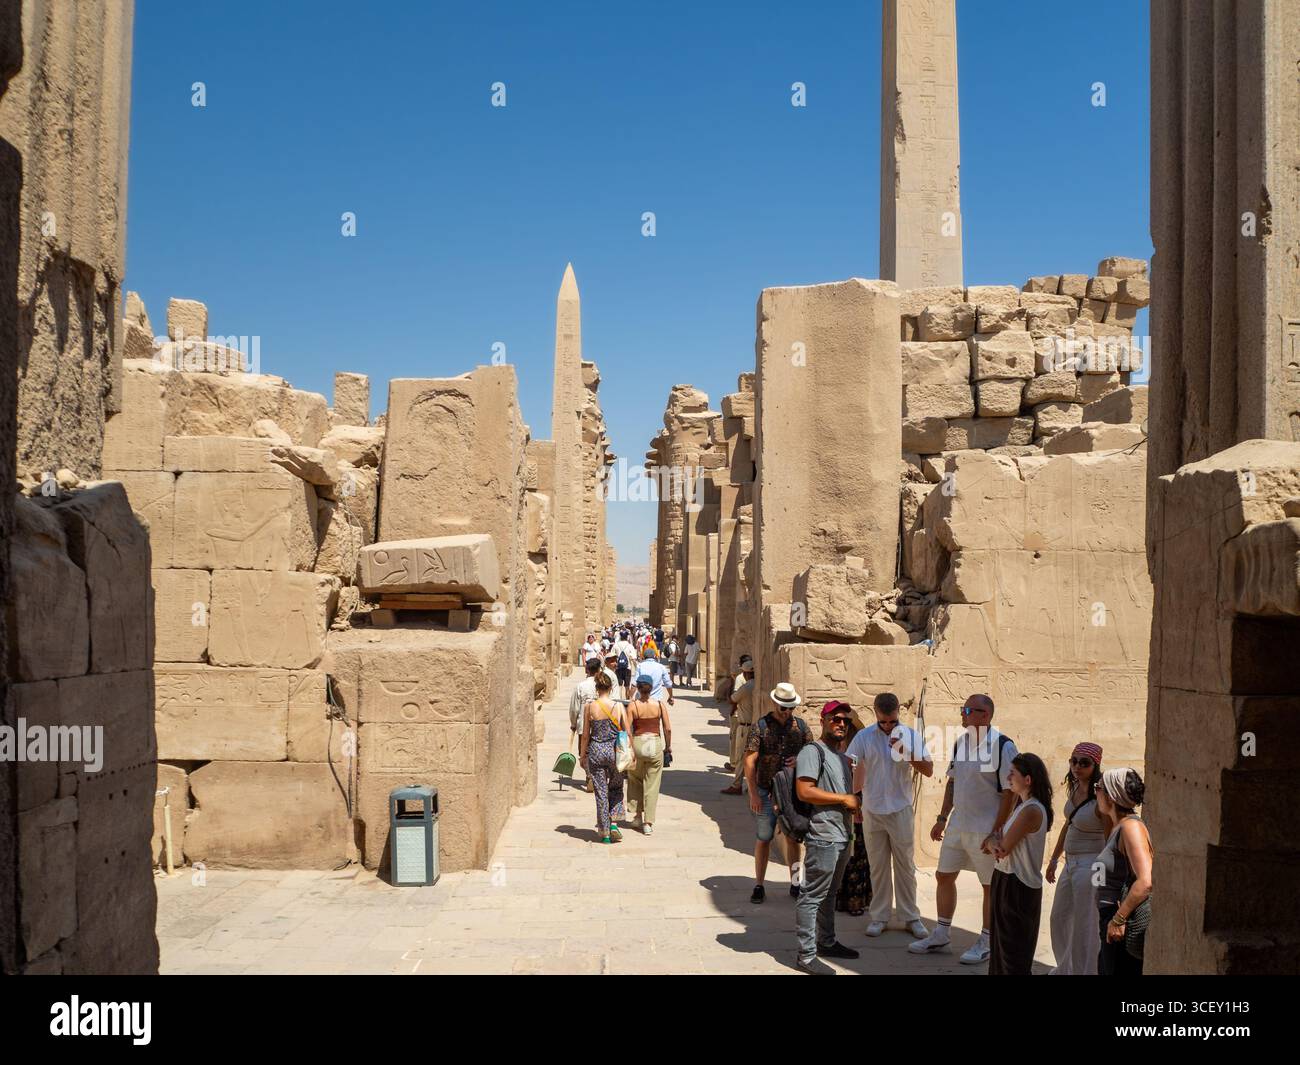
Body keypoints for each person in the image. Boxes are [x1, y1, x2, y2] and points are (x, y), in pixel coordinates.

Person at [909, 693, 1019, 964]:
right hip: (958, 825)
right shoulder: (961, 744)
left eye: (968, 709)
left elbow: (1010, 792)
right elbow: (952, 782)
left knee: (988, 886)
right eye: (963, 708)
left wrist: (997, 830)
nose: (963, 713)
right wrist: (942, 817)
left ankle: (986, 939)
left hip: (986, 828)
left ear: (986, 715)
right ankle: (942, 932)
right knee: (943, 875)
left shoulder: (1003, 746)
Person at [847, 692, 932, 939]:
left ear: (898, 714)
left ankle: (911, 917)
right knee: (878, 865)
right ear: (875, 714)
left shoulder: (911, 736)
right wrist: (855, 802)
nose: (887, 727)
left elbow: (928, 770)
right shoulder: (864, 737)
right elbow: (850, 765)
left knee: (905, 865)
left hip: (900, 809)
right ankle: (880, 916)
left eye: (892, 722)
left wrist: (905, 751)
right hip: (872, 809)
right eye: (883, 722)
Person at [792, 703, 862, 975]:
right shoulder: (813, 751)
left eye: (845, 720)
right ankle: (806, 955)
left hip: (842, 834)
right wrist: (843, 798)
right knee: (812, 896)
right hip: (823, 836)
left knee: (830, 894)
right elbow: (804, 790)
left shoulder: (840, 756)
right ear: (823, 721)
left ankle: (827, 941)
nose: (841, 723)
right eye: (835, 719)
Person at [743, 682, 810, 903]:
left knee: (793, 837)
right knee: (764, 837)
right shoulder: (760, 727)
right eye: (784, 708)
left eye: (791, 708)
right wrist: (752, 792)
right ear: (775, 704)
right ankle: (759, 884)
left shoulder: (800, 727)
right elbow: (750, 761)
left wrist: (800, 760)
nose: (787, 712)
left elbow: (813, 753)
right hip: (765, 790)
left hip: (790, 792)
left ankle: (796, 882)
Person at [988, 753, 1053, 975]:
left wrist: (992, 842)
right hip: (1006, 880)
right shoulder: (1022, 806)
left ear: (1028, 779)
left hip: (1017, 886)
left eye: (1012, 773)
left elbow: (1001, 848)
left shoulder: (1032, 810)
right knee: (1000, 951)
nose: (1008, 777)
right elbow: (997, 843)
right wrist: (993, 842)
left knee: (1013, 957)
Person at [1045, 742, 1105, 975]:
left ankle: (1085, 971)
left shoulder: (1100, 794)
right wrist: (1053, 859)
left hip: (1091, 865)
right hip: (1070, 863)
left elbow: (1111, 834)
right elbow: (1067, 826)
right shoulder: (1074, 788)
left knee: (1085, 926)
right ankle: (1066, 968)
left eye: (1084, 763)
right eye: (1073, 761)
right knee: (1058, 918)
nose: (1077, 767)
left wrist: (1108, 872)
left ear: (1095, 765)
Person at [1094, 767, 1152, 975]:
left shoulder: (1131, 828)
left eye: (1098, 787)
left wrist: (1118, 919)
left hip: (1120, 921)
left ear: (1111, 795)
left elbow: (1145, 881)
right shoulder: (1119, 826)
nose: (1095, 792)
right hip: (1110, 918)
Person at [579, 672, 629, 844]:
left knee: (601, 792)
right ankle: (614, 822)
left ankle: (605, 832)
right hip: (615, 752)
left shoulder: (589, 707)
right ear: (611, 687)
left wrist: (582, 755)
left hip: (596, 752)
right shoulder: (619, 707)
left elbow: (586, 734)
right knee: (616, 786)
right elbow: (627, 732)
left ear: (596, 688)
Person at [625, 674, 671, 835]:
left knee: (635, 779)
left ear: (638, 688)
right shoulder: (659, 704)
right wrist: (668, 747)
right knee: (652, 784)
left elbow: (627, 729)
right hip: (654, 742)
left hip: (638, 742)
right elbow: (667, 728)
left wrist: (629, 747)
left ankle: (637, 815)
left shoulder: (633, 706)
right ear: (651, 688)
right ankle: (648, 822)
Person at [568, 657, 603, 792]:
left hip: (583, 724)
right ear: (599, 669)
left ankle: (589, 775)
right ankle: (596, 776)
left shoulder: (580, 686)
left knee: (584, 752)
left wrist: (573, 723)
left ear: (586, 669)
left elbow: (574, 708)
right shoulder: (602, 684)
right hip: (601, 724)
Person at [721, 655, 755, 791]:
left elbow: (732, 699)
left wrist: (733, 680)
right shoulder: (759, 684)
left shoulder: (746, 687)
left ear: (746, 673)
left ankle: (737, 785)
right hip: (756, 725)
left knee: (742, 757)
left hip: (745, 725)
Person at [612, 630, 638, 698]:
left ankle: (619, 701)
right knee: (627, 686)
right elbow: (633, 657)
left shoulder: (616, 645)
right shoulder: (630, 646)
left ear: (620, 637)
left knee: (619, 686)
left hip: (618, 668)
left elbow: (612, 655)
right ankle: (626, 701)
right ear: (627, 637)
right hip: (627, 668)